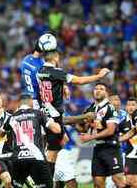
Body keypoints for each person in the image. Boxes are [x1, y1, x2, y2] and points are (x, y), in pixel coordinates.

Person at [37, 50, 110, 179]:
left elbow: (51, 80)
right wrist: (99, 76)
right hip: (54, 115)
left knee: (64, 140)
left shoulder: (40, 71)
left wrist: (63, 86)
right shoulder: (57, 72)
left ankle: (55, 178)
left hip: (45, 111)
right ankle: (43, 181)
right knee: (52, 154)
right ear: (56, 57)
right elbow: (80, 81)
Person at [1, 93, 61, 188]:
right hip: (36, 158)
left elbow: (1, 133)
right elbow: (57, 130)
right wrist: (54, 120)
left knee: (15, 185)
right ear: (31, 102)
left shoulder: (12, 117)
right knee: (47, 186)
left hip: (18, 159)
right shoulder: (38, 113)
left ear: (19, 104)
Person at [74, 83, 127, 188]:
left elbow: (110, 130)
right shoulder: (90, 109)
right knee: (98, 182)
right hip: (98, 148)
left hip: (111, 148)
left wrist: (90, 137)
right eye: (96, 89)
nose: (98, 90)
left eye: (101, 89)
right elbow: (84, 128)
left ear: (106, 93)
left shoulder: (110, 108)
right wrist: (75, 123)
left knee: (118, 180)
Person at [20, 33, 55, 109]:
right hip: (37, 101)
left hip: (26, 100)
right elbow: (43, 85)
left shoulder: (26, 59)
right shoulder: (41, 65)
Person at [119, 97, 137, 188]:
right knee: (129, 182)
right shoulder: (122, 123)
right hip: (130, 155)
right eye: (128, 105)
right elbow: (117, 137)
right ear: (126, 107)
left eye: (133, 105)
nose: (130, 107)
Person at [106, 94, 128, 188]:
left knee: (124, 180)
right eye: (115, 100)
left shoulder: (126, 114)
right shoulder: (105, 115)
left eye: (119, 100)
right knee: (111, 182)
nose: (118, 102)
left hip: (124, 152)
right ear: (109, 103)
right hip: (110, 152)